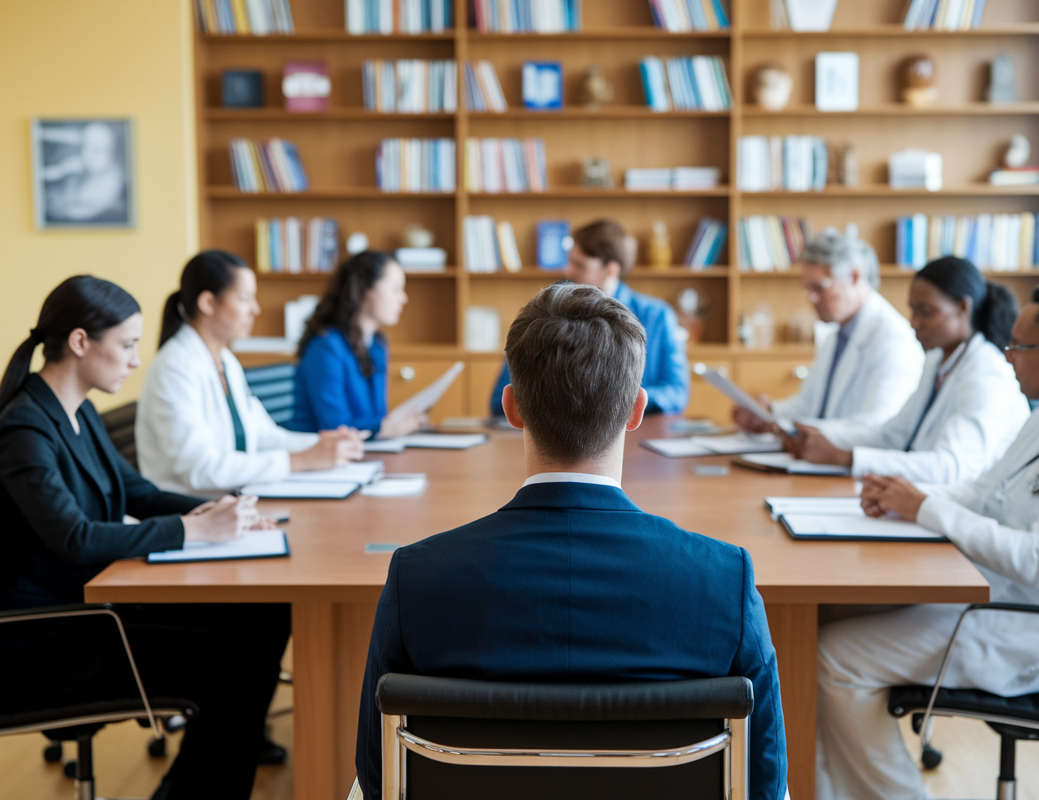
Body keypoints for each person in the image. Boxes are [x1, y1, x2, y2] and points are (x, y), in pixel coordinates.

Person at [354, 284, 787, 800]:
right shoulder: (724, 579)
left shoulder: (416, 578)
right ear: (636, 410)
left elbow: (380, 775)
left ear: (511, 407)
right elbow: (765, 785)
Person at [816, 283, 1039, 800]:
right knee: (826, 612)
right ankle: (816, 784)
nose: (1008, 356)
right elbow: (983, 491)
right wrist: (908, 495)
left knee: (833, 655)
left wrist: (926, 508)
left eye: (1018, 346)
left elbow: (1037, 561)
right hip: (994, 598)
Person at [0, 275, 292, 800]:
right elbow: (74, 540)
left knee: (265, 613)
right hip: (54, 638)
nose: (136, 360)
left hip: (96, 609)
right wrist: (194, 529)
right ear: (80, 343)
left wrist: (218, 511)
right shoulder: (25, 429)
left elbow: (138, 493)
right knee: (244, 662)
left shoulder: (78, 411)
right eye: (125, 345)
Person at [779, 256, 1031, 483]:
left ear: (963, 308)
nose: (914, 323)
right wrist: (824, 436)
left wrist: (847, 458)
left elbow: (951, 468)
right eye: (912, 310)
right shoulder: (938, 361)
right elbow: (894, 435)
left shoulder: (986, 374)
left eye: (926, 312)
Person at [137, 250, 367, 496]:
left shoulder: (226, 360)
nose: (255, 310)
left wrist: (325, 444)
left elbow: (264, 436)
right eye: (245, 298)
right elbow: (200, 468)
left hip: (232, 502)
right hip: (189, 513)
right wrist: (300, 460)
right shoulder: (174, 367)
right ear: (208, 303)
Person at [488, 219, 689, 417]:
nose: (568, 271)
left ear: (611, 269)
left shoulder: (658, 316)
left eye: (580, 265)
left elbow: (677, 393)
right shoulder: (545, 315)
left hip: (637, 434)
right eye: (569, 260)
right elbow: (502, 400)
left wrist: (614, 399)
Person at [734, 229, 924, 433]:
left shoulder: (894, 340)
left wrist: (793, 429)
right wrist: (769, 412)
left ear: (854, 276)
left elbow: (877, 425)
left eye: (819, 288)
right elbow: (809, 406)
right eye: (807, 289)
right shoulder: (836, 334)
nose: (811, 298)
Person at [289, 250, 427, 438]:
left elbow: (377, 414)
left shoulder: (377, 345)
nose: (403, 298)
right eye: (395, 289)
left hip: (362, 454)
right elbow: (335, 427)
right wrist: (384, 428)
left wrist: (395, 424)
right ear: (367, 290)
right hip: (320, 458)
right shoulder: (325, 347)